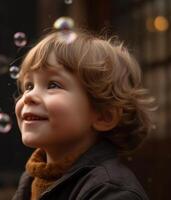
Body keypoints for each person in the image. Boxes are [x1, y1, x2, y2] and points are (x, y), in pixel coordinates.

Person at [12, 29, 156, 200]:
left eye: (53, 85)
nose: (28, 96)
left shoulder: (111, 191)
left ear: (104, 116)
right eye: (28, 86)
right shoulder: (31, 180)